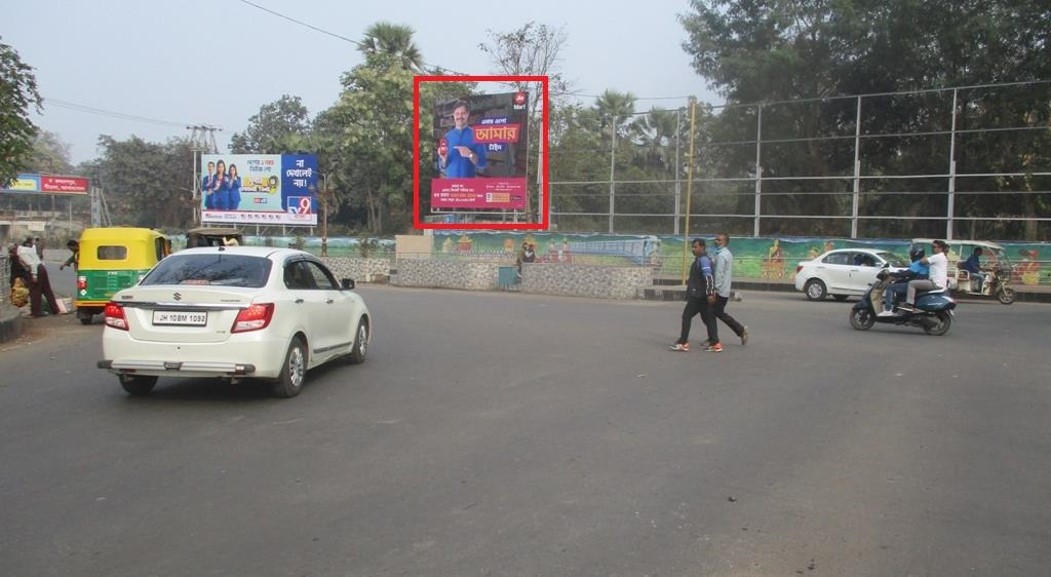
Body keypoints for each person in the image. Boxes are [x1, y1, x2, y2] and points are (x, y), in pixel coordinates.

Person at [669, 238, 715, 351]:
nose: (693, 249)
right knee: (707, 318)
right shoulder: (700, 259)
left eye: (695, 247)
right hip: (701, 294)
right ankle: (715, 341)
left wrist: (710, 293)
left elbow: (708, 277)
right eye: (693, 247)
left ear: (702, 247)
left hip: (699, 295)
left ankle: (683, 342)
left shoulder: (703, 260)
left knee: (686, 316)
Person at [707, 233, 750, 352]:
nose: (716, 241)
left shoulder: (721, 256)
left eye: (719, 240)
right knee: (714, 313)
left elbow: (719, 273)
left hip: (720, 290)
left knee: (714, 313)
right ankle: (713, 337)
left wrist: (714, 290)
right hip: (724, 289)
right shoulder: (726, 253)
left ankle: (739, 330)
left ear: (725, 242)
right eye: (716, 239)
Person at [437, 100, 487, 178]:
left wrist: (470, 154)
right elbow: (442, 166)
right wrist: (444, 159)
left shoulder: (477, 135)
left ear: (468, 114)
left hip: (469, 186)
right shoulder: (447, 137)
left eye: (463, 113)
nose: (459, 116)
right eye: (457, 113)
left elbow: (482, 164)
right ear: (453, 115)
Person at [900, 239, 949, 311]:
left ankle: (909, 304)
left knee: (911, 283)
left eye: (935, 247)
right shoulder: (942, 257)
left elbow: (923, 262)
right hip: (938, 283)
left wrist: (922, 256)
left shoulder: (937, 257)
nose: (933, 249)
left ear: (940, 248)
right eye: (932, 247)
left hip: (934, 283)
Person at [17, 236, 60, 317]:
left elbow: (31, 264)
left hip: (36, 270)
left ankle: (36, 312)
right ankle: (55, 309)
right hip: (41, 268)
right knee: (47, 291)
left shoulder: (21, 253)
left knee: (35, 292)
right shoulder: (30, 249)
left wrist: (34, 275)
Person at [879, 248, 928, 316]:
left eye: (911, 255)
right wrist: (899, 276)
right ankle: (896, 309)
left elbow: (906, 274)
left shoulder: (918, 263)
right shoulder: (923, 263)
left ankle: (888, 310)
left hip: (914, 284)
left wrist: (892, 274)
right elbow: (911, 274)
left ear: (914, 255)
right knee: (898, 283)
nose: (910, 257)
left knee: (890, 287)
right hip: (919, 282)